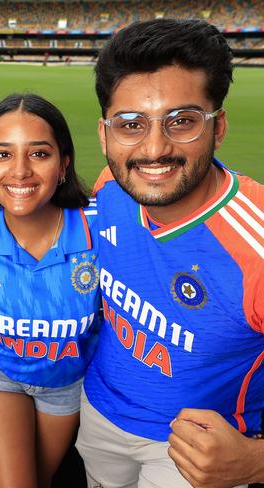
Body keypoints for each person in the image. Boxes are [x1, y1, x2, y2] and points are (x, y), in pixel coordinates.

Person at [75, 18, 264, 488]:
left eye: (181, 122)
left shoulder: (257, 246)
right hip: (97, 414)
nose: (154, 149)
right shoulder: (110, 189)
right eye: (131, 125)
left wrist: (257, 461)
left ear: (217, 127)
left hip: (197, 453)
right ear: (104, 136)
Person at [0, 94, 101, 487]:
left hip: (67, 379)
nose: (19, 171)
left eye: (39, 154)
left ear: (64, 163)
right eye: (2, 155)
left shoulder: (102, 230)